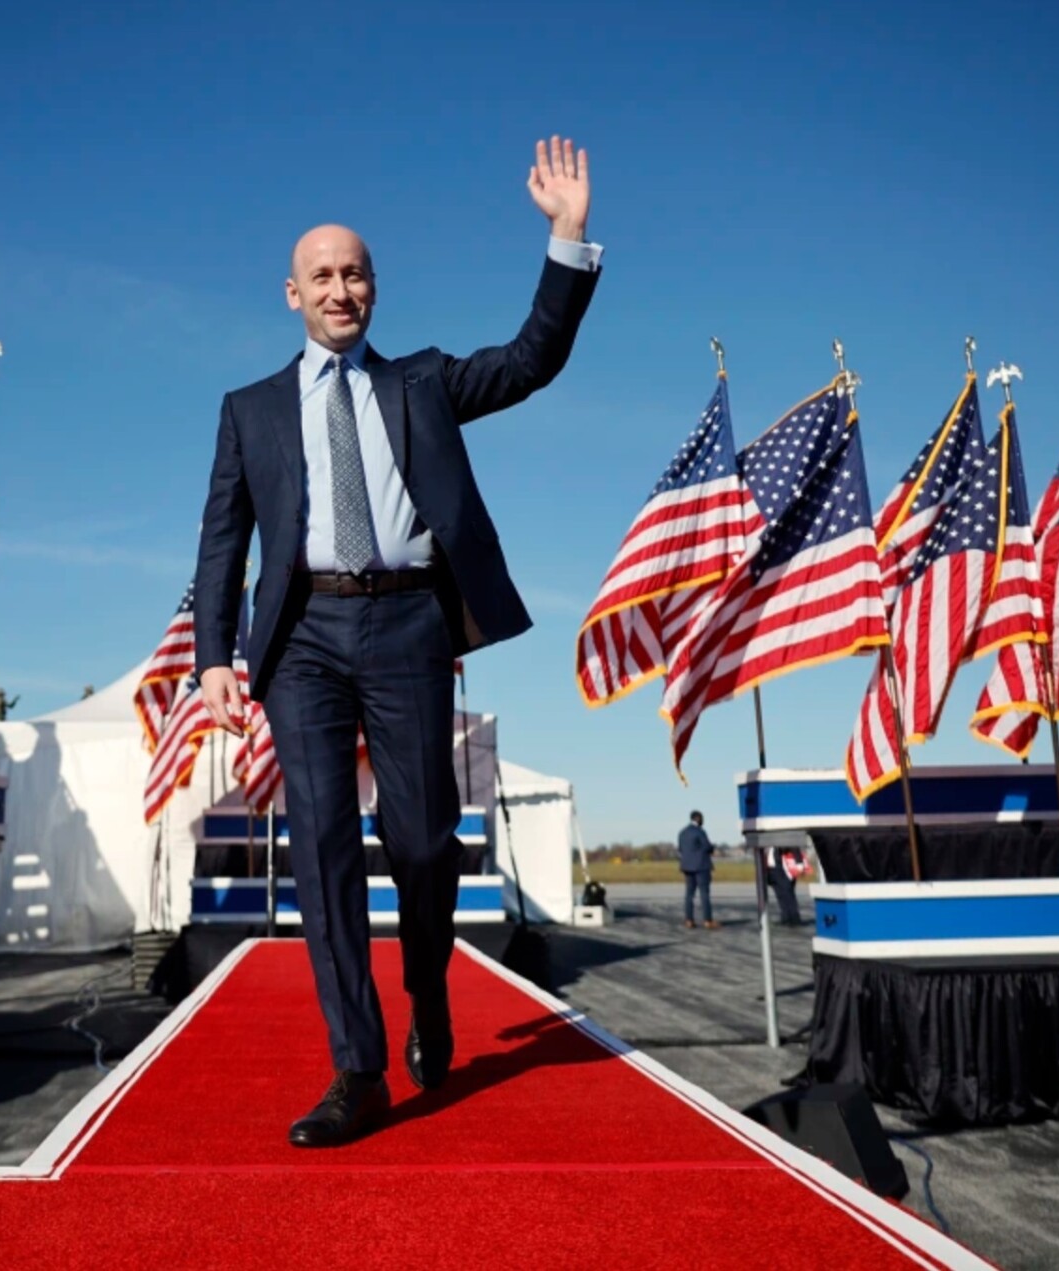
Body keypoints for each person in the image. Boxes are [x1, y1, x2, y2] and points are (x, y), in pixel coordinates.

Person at [193, 137, 601, 1148]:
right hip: (300, 640)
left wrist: (565, 236)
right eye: (322, 275)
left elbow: (530, 358)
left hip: (410, 621)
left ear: (375, 287)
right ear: (291, 293)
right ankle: (356, 1067)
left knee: (423, 840)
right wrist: (213, 654)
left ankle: (429, 987)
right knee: (324, 843)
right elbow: (222, 538)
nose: (342, 288)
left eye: (356, 272)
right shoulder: (249, 409)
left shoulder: (422, 383)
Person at [679, 810, 719, 930]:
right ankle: (707, 920)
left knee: (689, 894)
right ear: (698, 819)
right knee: (704, 894)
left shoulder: (682, 832)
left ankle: (689, 919)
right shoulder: (700, 832)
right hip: (701, 866)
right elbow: (707, 846)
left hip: (687, 866)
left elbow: (681, 849)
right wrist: (712, 848)